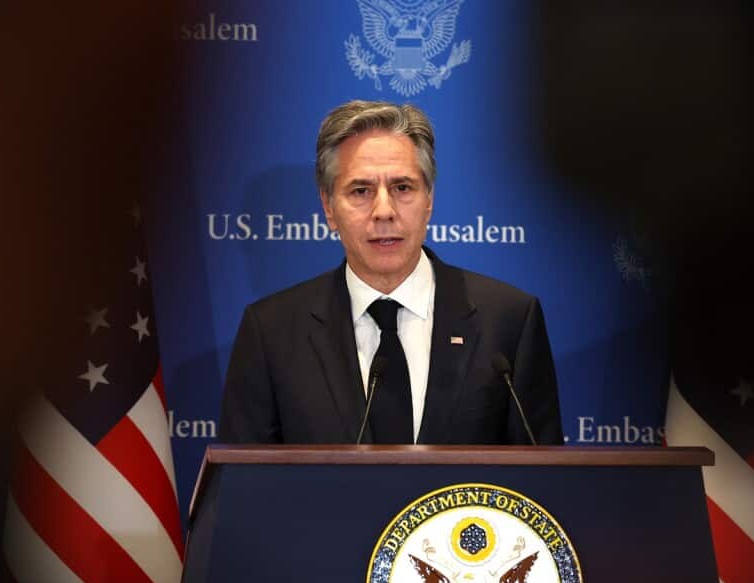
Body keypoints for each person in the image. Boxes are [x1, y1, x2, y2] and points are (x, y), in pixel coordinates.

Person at [219, 100, 561, 445]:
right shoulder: (272, 333)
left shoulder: (507, 322)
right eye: (361, 191)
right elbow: (246, 490)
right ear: (328, 207)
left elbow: (541, 487)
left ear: (429, 199)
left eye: (402, 188)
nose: (384, 211)